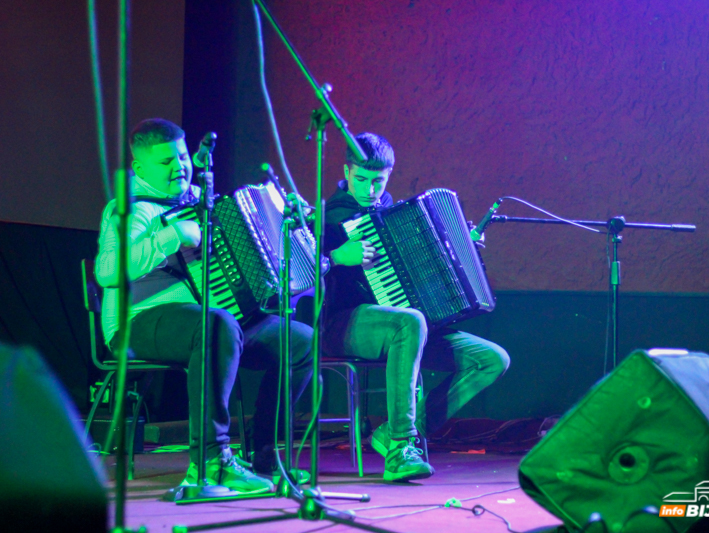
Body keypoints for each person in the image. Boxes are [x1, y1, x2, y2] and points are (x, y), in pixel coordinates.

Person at [95, 118, 312, 491]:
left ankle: (263, 452)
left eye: (181, 156)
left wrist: (291, 228)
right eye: (165, 162)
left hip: (211, 316)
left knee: (303, 342)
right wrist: (170, 235)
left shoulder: (201, 199)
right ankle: (211, 460)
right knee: (216, 325)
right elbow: (106, 271)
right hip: (140, 321)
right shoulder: (130, 209)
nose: (179, 165)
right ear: (139, 167)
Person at [322, 132, 510, 482]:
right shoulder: (329, 217)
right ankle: (401, 445)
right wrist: (334, 257)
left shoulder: (393, 212)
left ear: (389, 175)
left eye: (378, 181)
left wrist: (459, 248)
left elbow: (424, 270)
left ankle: (391, 432)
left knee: (492, 360)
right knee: (409, 321)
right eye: (360, 179)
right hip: (343, 325)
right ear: (346, 172)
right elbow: (299, 270)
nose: (369, 189)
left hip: (406, 327)